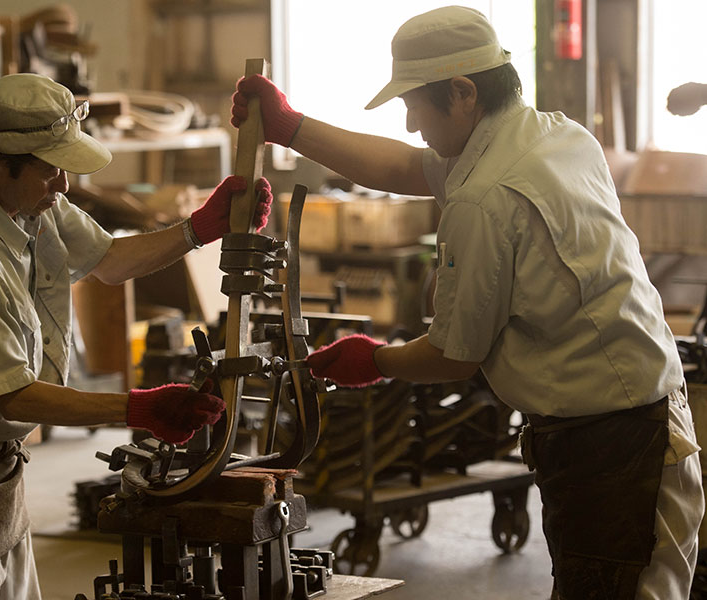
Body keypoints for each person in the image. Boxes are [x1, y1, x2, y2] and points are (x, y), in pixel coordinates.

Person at [231, 6, 702, 599]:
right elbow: (405, 166)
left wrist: (374, 361)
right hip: (646, 423)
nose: (409, 124)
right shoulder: (558, 134)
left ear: (462, 93)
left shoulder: (484, 197)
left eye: (413, 106)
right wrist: (292, 126)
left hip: (612, 448)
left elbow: (455, 356)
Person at [0, 72, 272, 600]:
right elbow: (10, 395)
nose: (64, 185)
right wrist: (136, 409)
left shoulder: (28, 199)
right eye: (51, 170)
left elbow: (109, 261)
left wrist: (199, 227)